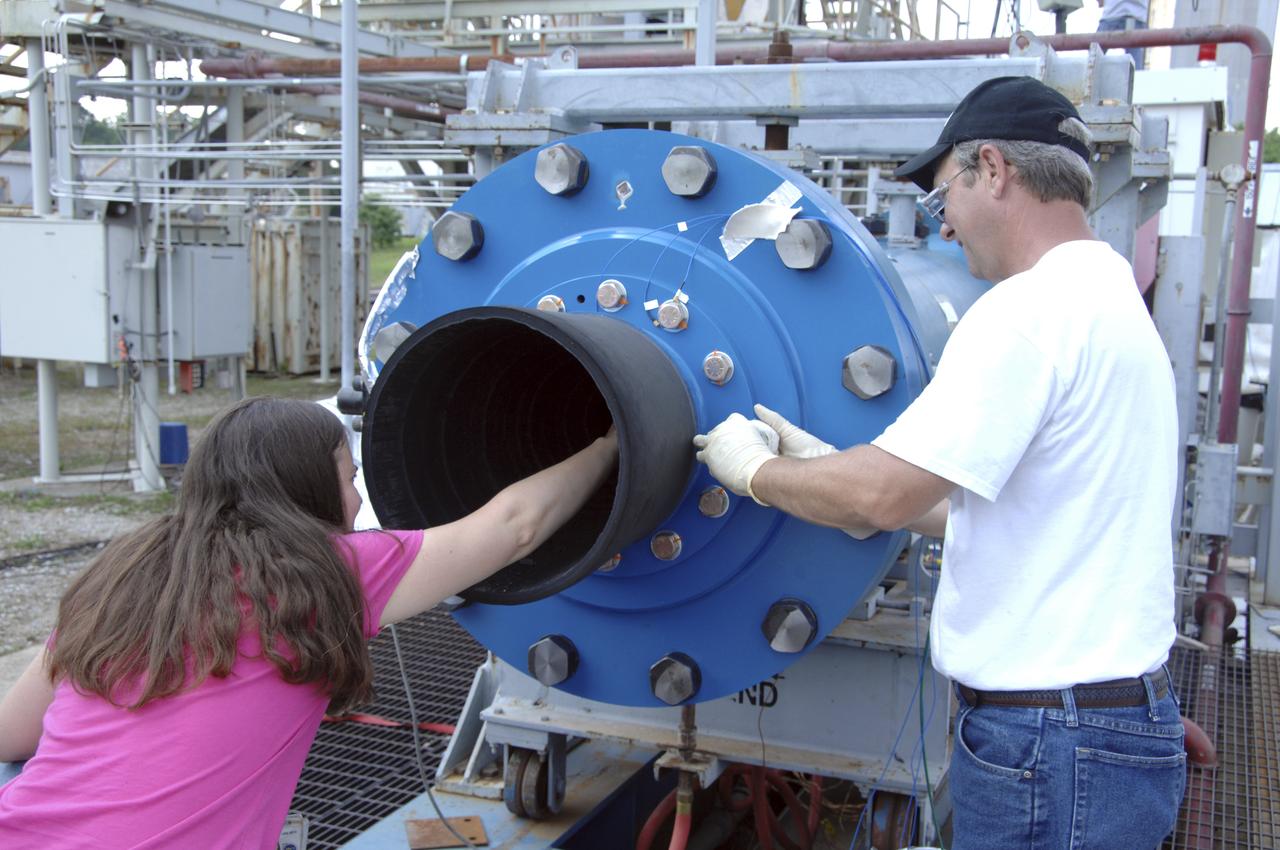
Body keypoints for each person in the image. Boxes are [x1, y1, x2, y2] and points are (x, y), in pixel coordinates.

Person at [693, 76, 1184, 849]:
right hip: (1103, 721)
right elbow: (1028, 512)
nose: (944, 224)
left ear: (993, 169)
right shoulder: (1108, 298)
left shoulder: (1028, 313)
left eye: (941, 194)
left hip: (1049, 741)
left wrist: (756, 473)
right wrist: (828, 464)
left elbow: (880, 498)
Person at [0, 396, 617, 848]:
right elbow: (516, 527)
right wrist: (610, 444)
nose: (357, 499)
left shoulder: (121, 576)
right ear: (308, 488)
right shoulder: (322, 574)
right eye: (349, 479)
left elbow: (12, 738)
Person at [1097, 0, 1150, 69]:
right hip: (1136, 14)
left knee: (1094, 58)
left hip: (1112, 13)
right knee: (1135, 66)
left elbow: (1101, 3)